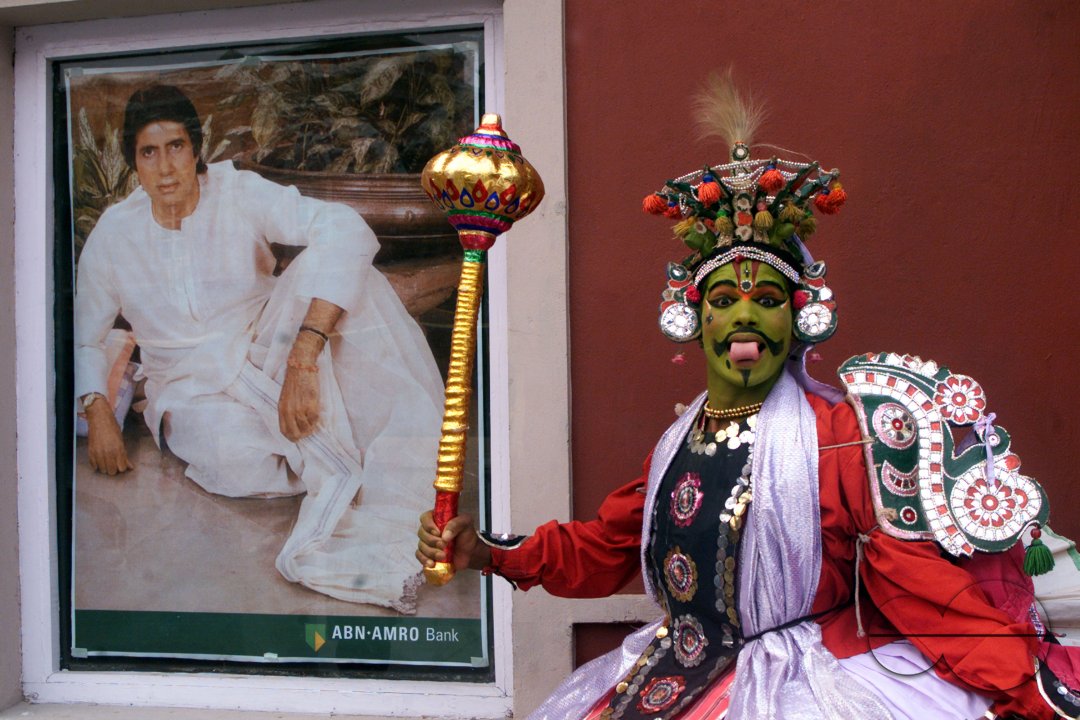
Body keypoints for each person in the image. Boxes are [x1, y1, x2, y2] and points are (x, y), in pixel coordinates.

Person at [418, 76, 1080, 717]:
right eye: (724, 300)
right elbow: (605, 548)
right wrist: (487, 552)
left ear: (797, 321)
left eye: (765, 301)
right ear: (696, 318)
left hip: (804, 681)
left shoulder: (840, 438)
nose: (743, 318)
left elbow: (920, 589)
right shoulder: (678, 447)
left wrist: (1030, 686)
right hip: (673, 672)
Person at [75, 84, 444, 613]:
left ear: (195, 148)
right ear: (134, 163)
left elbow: (345, 227)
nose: (166, 167)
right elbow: (87, 334)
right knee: (236, 461)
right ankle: (340, 450)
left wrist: (303, 357)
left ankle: (364, 453)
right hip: (189, 388)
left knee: (350, 272)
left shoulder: (238, 192)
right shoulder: (114, 234)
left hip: (267, 340)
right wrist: (99, 411)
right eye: (149, 153)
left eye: (175, 146)